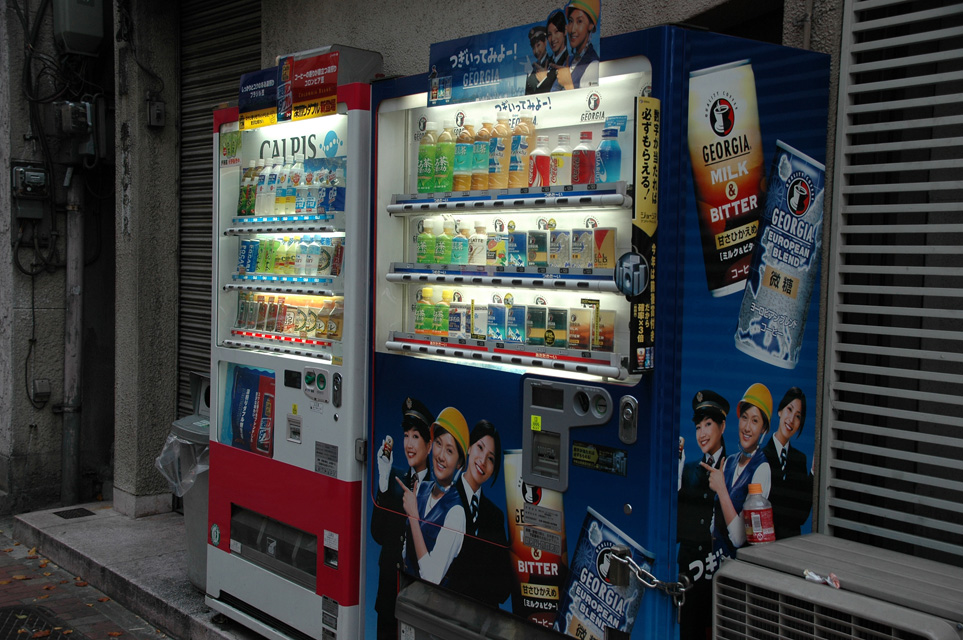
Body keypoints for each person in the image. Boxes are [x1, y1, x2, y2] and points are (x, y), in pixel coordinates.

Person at [371, 397, 435, 640]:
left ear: (430, 445)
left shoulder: (438, 490)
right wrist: (383, 482)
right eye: (406, 435)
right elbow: (377, 534)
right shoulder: (394, 477)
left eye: (416, 437)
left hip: (421, 602)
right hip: (388, 597)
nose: (409, 444)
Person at [677, 390, 729, 640]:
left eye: (708, 424)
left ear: (723, 425)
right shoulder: (687, 470)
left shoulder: (734, 468)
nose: (703, 433)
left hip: (719, 571)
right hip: (688, 573)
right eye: (698, 427)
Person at [399, 407, 470, 587]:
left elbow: (431, 577)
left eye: (450, 451)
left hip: (432, 605)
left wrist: (414, 518)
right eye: (438, 444)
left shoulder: (456, 513)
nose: (440, 456)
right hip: (407, 594)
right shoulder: (421, 488)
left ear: (460, 464)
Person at [445, 420, 512, 607]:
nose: (483, 461)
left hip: (482, 618)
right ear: (468, 447)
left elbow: (503, 586)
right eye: (480, 448)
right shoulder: (442, 495)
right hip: (443, 610)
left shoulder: (495, 516)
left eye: (491, 458)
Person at [704, 383, 773, 561]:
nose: (747, 427)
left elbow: (739, 538)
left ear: (764, 429)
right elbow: (715, 519)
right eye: (744, 417)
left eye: (755, 421)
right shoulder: (730, 462)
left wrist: (721, 489)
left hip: (738, 570)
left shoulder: (762, 469)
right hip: (716, 562)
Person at [763, 387, 813, 539]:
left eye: (798, 416)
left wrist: (812, 474)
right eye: (789, 410)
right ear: (779, 411)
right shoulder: (761, 456)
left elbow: (802, 515)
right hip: (766, 544)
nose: (791, 419)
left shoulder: (800, 459)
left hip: (791, 544)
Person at [553, 0, 600, 90]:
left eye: (579, 21)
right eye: (570, 21)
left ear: (591, 25)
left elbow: (588, 102)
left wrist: (567, 84)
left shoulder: (592, 65)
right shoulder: (569, 60)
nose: (572, 29)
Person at [525, 26, 551, 95]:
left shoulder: (552, 63)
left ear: (545, 42)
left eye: (538, 45)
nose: (536, 51)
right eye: (533, 48)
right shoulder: (532, 68)